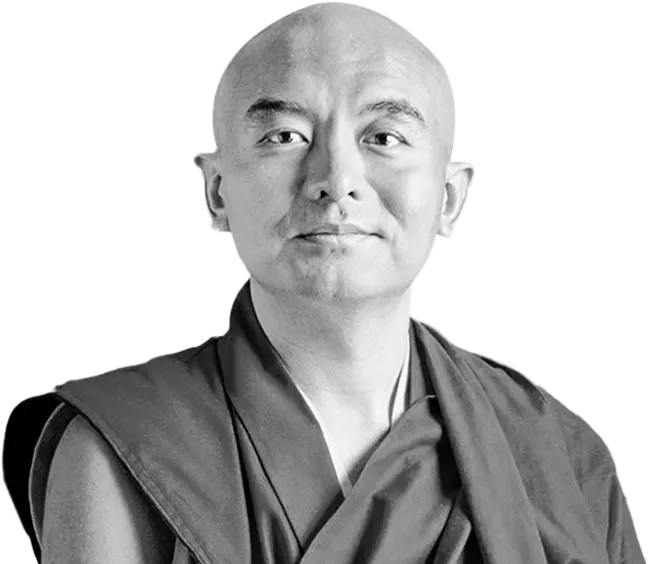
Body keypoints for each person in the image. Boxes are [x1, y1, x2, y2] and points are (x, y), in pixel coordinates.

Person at [2, 2, 643, 563]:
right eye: (285, 136)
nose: (336, 179)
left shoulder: (555, 452)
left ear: (451, 197)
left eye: (384, 137)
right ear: (217, 191)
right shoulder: (123, 446)